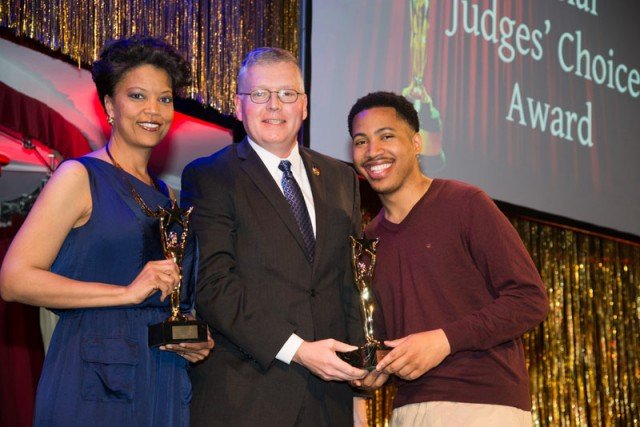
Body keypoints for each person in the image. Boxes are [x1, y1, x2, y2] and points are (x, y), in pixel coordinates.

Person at [0, 36, 213, 425]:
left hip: (161, 373)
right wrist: (127, 293)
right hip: (95, 376)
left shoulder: (169, 196)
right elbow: (14, 279)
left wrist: (192, 336)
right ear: (109, 106)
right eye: (137, 96)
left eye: (164, 99)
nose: (153, 110)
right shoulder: (79, 176)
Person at [181, 47, 368, 426]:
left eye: (286, 94)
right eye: (259, 95)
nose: (274, 106)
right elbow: (213, 286)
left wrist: (361, 378)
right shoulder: (211, 176)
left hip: (330, 402)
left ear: (304, 105)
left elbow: (352, 282)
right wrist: (298, 350)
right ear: (238, 106)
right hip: (246, 397)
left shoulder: (341, 178)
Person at [348, 91, 549, 426]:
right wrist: (372, 369)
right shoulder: (368, 241)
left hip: (484, 406)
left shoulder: (465, 203)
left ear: (416, 143)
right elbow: (385, 336)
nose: (373, 151)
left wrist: (444, 340)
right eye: (360, 141)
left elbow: (530, 299)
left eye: (386, 136)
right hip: (407, 411)